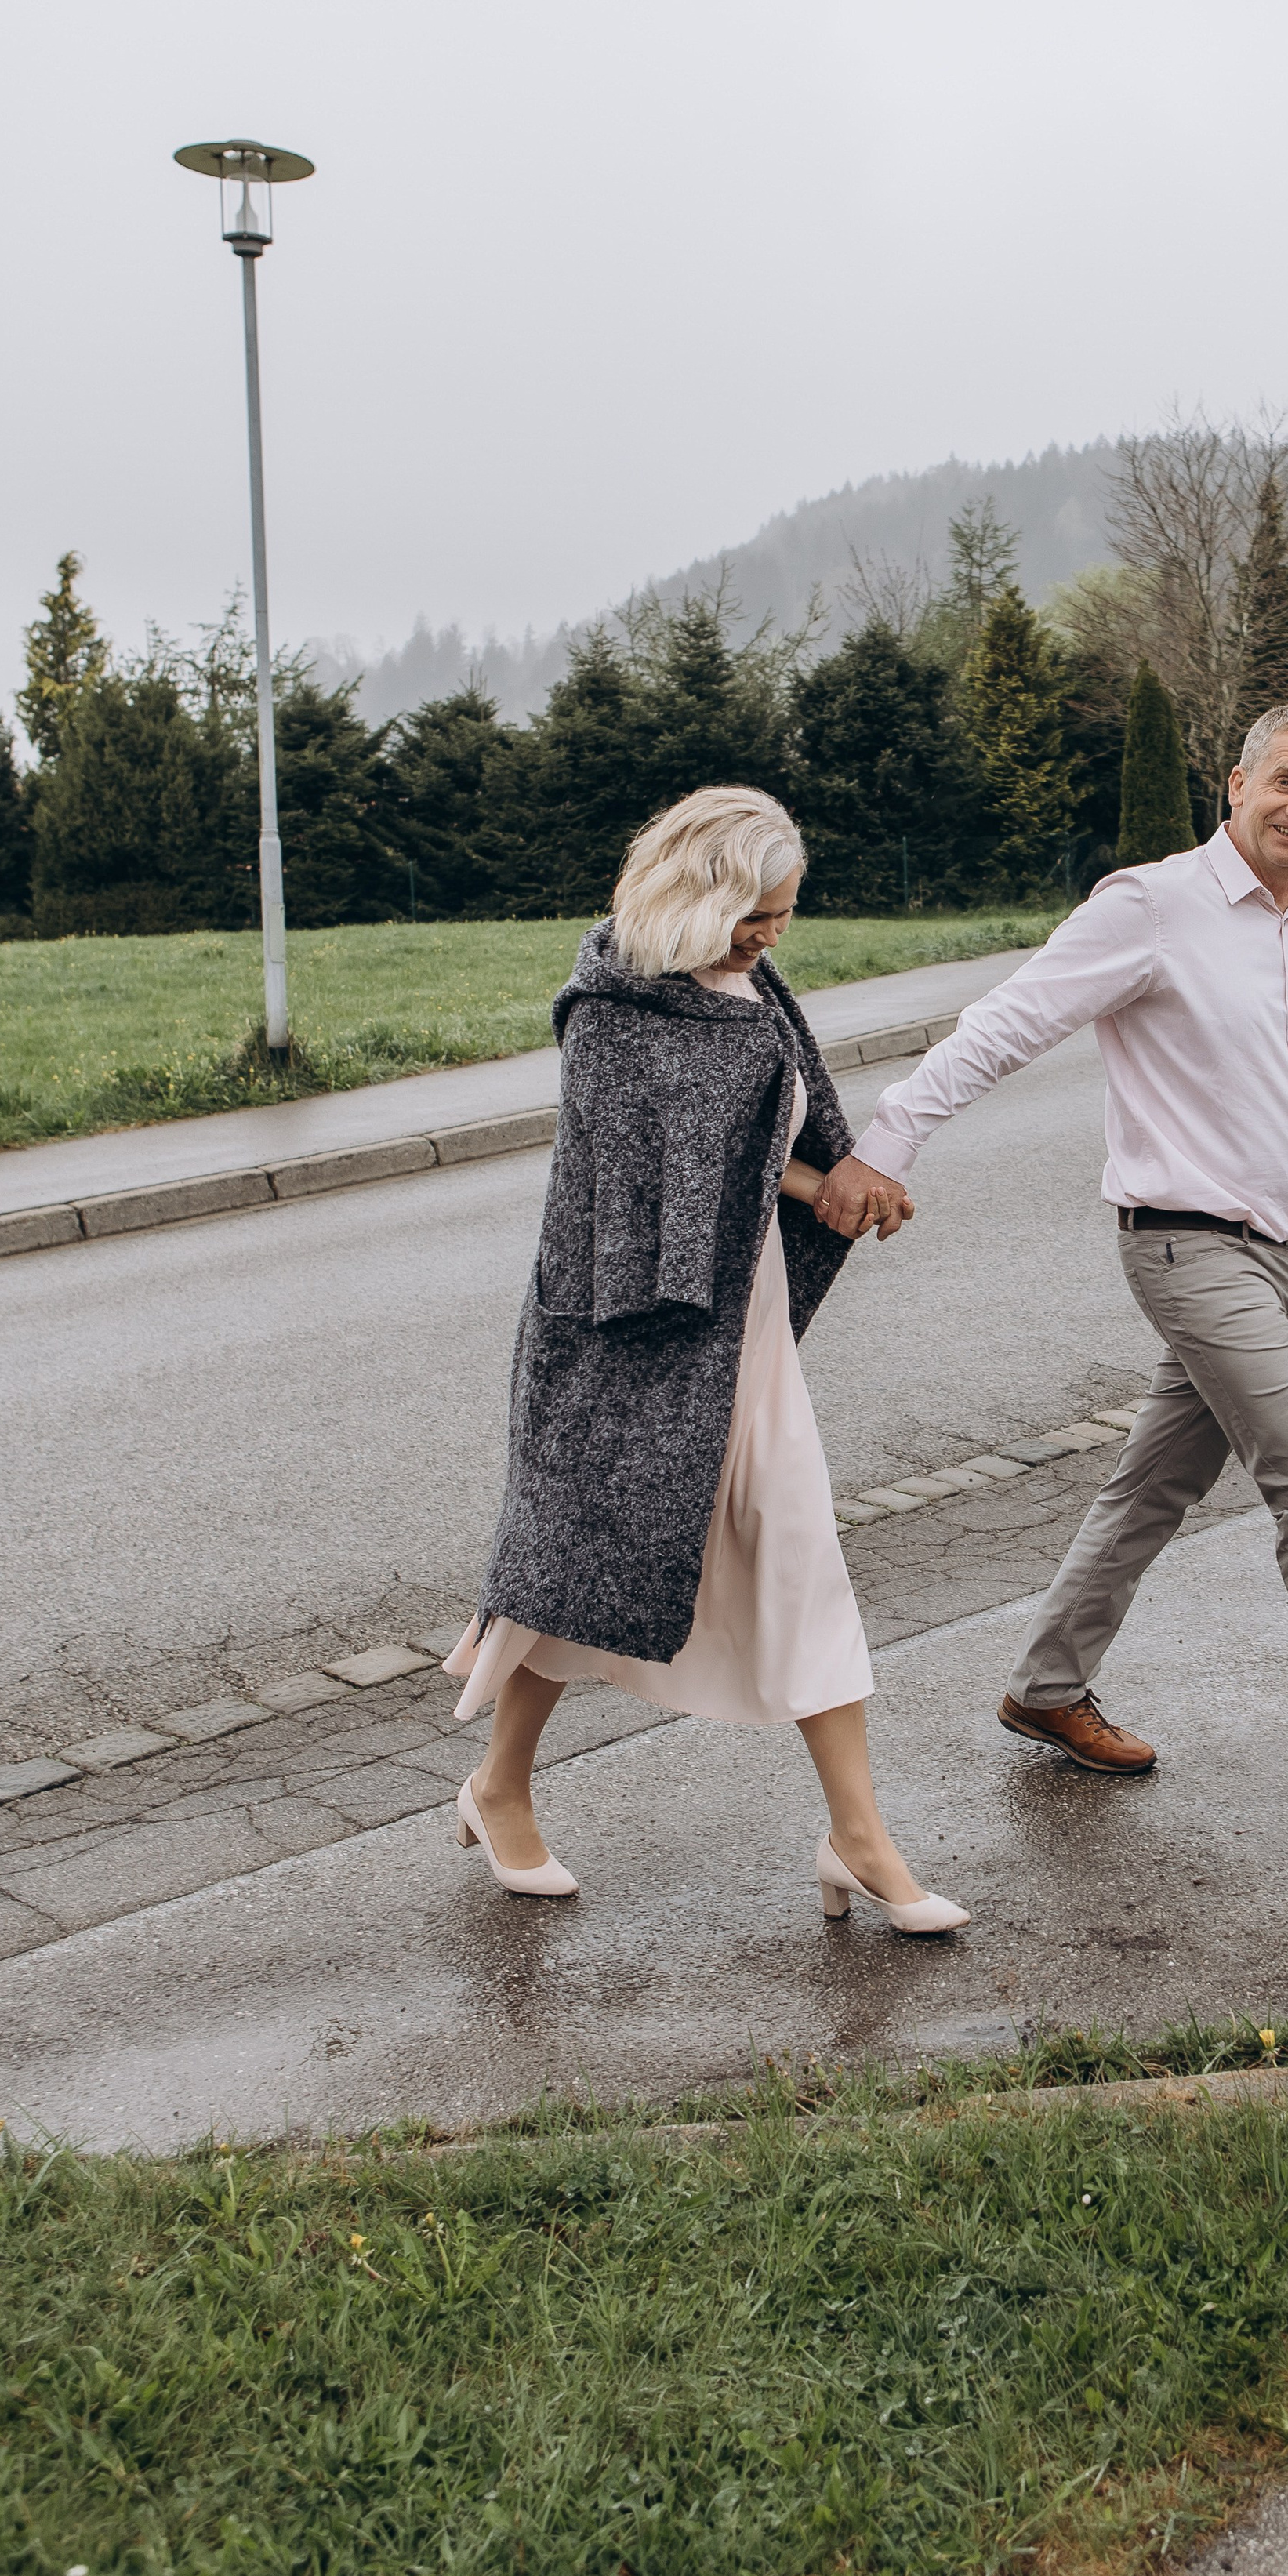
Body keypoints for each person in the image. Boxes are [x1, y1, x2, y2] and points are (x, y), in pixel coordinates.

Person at [817, 704, 1288, 1853]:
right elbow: (1005, 1026)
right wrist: (886, 1142)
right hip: (1182, 1245)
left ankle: (1049, 1689)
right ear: (1237, 781)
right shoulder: (1152, 907)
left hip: (1280, 1258)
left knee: (1155, 1485)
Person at [444, 785, 967, 1934]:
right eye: (756, 917)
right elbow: (641, 1199)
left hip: (746, 1324)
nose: (773, 937)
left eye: (783, 915)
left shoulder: (746, 986)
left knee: (800, 1554)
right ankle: (499, 1787)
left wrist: (834, 1177)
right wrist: (816, 1182)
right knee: (577, 1576)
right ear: (701, 896)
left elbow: (753, 1140)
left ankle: (858, 1837)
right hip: (626, 1340)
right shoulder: (614, 1016)